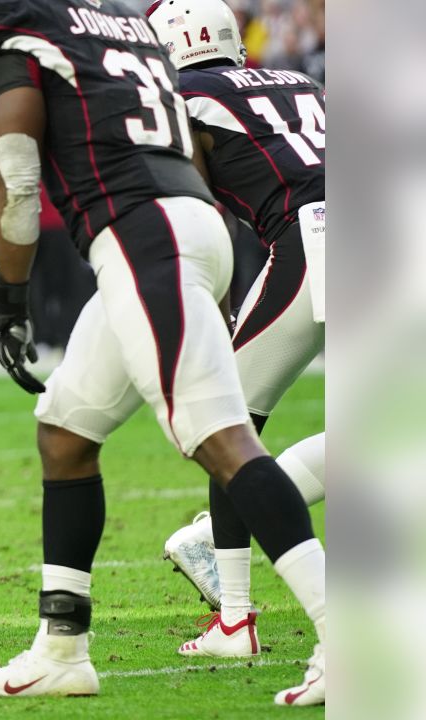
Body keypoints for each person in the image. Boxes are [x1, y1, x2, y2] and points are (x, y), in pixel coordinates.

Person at [0, 0, 325, 706]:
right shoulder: (123, 20)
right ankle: (62, 649)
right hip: (185, 225)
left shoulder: (13, 21)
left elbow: (18, 174)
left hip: (140, 232)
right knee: (66, 430)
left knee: (220, 437)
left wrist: (9, 294)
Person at [146, 0, 326, 673]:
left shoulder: (186, 99)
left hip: (317, 239)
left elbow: (196, 214)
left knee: (227, 423)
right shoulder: (301, 83)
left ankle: (235, 613)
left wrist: (212, 307)